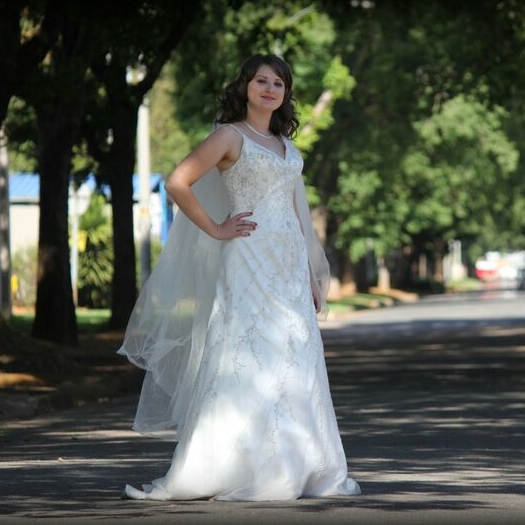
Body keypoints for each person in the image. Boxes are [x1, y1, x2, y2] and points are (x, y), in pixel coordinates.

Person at [117, 54, 361, 501]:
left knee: (294, 354)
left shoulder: (285, 144)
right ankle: (233, 468)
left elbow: (297, 213)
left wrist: (310, 275)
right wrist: (215, 228)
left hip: (289, 265)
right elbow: (177, 182)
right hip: (247, 257)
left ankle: (301, 464)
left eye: (278, 84)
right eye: (261, 81)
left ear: (285, 93)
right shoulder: (230, 135)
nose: (269, 89)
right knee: (247, 353)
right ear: (245, 86)